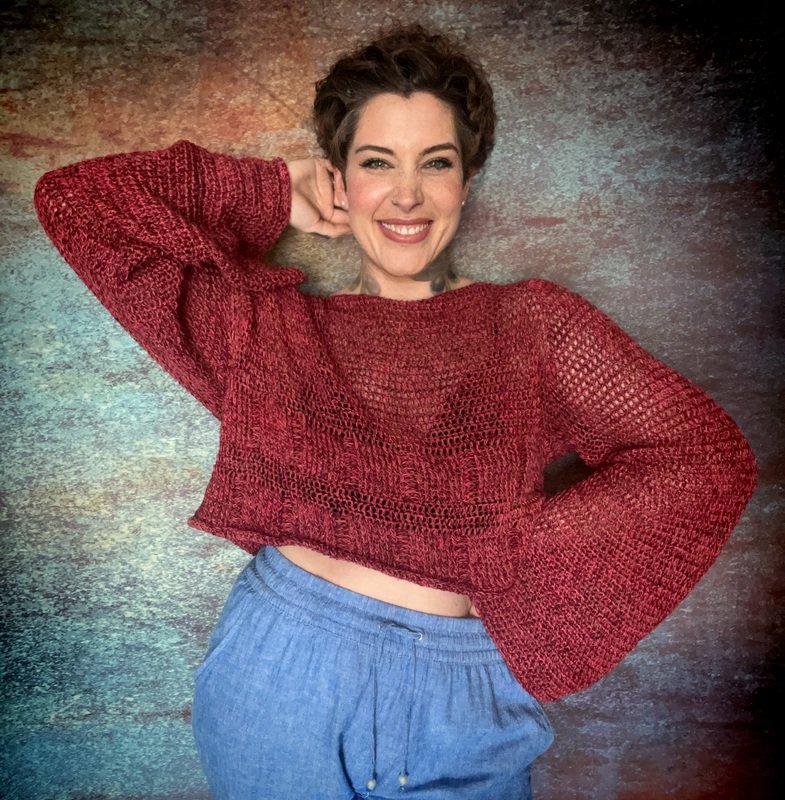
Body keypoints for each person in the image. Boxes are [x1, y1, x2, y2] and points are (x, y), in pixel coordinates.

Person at [34, 23, 756, 800]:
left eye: (434, 163)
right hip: (278, 675)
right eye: (377, 162)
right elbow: (77, 206)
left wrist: (516, 560)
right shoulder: (268, 333)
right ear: (340, 179)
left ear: (465, 183)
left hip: (459, 698)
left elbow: (703, 456)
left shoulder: (532, 327)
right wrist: (271, 189)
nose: (406, 194)